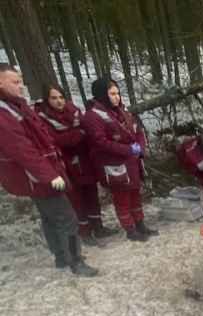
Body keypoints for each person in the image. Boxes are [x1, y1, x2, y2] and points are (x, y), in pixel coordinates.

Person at [0, 64, 98, 276]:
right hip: (36, 176)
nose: (21, 86)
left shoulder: (16, 106)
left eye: (21, 81)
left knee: (50, 217)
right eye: (15, 82)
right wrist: (50, 176)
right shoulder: (3, 114)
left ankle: (61, 257)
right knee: (67, 217)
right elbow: (23, 150)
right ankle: (75, 261)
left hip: (40, 173)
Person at [35, 83, 113, 245]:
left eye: (61, 97)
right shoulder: (43, 117)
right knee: (76, 198)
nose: (59, 101)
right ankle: (84, 232)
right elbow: (56, 140)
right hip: (66, 163)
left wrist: (79, 134)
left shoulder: (74, 111)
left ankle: (98, 226)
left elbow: (87, 129)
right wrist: (78, 133)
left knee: (91, 193)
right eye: (54, 98)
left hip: (85, 159)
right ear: (47, 100)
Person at [83, 77, 157, 242]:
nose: (117, 97)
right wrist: (128, 149)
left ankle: (140, 224)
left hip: (132, 161)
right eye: (112, 93)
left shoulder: (123, 111)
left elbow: (137, 130)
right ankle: (130, 229)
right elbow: (100, 142)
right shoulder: (92, 116)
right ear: (102, 94)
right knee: (122, 198)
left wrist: (140, 146)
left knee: (135, 194)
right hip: (114, 164)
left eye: (118, 93)